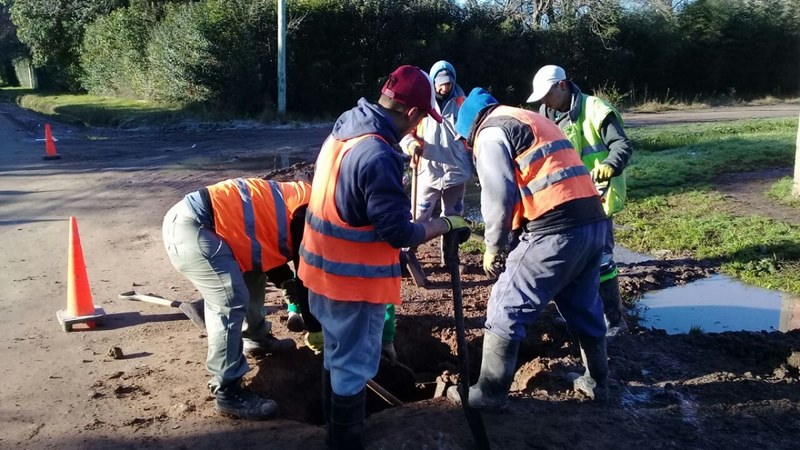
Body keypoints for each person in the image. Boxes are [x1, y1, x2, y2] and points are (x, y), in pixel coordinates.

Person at [297, 65, 470, 449]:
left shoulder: (347, 127)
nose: (417, 128)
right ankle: (344, 442)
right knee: (352, 369)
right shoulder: (377, 154)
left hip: (318, 272)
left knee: (335, 356)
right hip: (351, 284)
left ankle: (332, 433)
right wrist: (446, 223)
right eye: (421, 119)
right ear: (412, 113)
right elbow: (398, 233)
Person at [445, 87, 610, 408]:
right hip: (592, 223)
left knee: (505, 306)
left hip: (554, 230)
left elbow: (498, 193)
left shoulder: (490, 133)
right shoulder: (529, 118)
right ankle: (597, 381)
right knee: (584, 305)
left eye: (466, 144)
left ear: (469, 131)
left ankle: (487, 394)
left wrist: (494, 246)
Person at [162, 178, 319, 420]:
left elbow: (268, 249)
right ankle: (227, 391)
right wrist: (315, 329)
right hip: (194, 227)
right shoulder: (310, 213)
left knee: (254, 271)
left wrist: (287, 284)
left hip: (212, 225)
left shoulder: (307, 198)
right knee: (229, 299)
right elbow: (306, 277)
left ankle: (255, 337)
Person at [527, 65, 633, 337]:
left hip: (598, 195)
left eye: (547, 94)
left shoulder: (596, 109)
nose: (544, 101)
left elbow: (621, 145)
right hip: (566, 199)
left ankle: (614, 321)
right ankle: (577, 314)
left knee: (602, 261)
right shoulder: (545, 115)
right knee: (570, 259)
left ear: (562, 85)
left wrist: (610, 164)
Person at [400, 60, 471, 268]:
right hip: (427, 170)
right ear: (432, 82)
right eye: (440, 83)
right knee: (419, 215)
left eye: (448, 83)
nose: (444, 87)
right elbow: (405, 132)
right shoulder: (421, 103)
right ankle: (405, 257)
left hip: (457, 171)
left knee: (453, 217)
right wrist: (411, 145)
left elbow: (472, 135)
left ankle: (450, 259)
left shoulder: (463, 103)